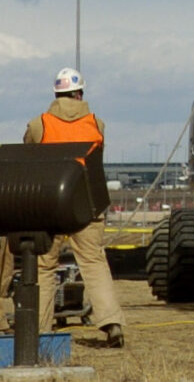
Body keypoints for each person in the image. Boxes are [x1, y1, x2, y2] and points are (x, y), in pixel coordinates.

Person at [25, 69, 124, 347]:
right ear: (80, 94)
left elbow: (28, 153)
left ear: (56, 94)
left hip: (50, 206)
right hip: (87, 205)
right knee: (93, 262)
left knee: (44, 267)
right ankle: (111, 322)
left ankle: (41, 330)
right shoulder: (97, 124)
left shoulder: (39, 124)